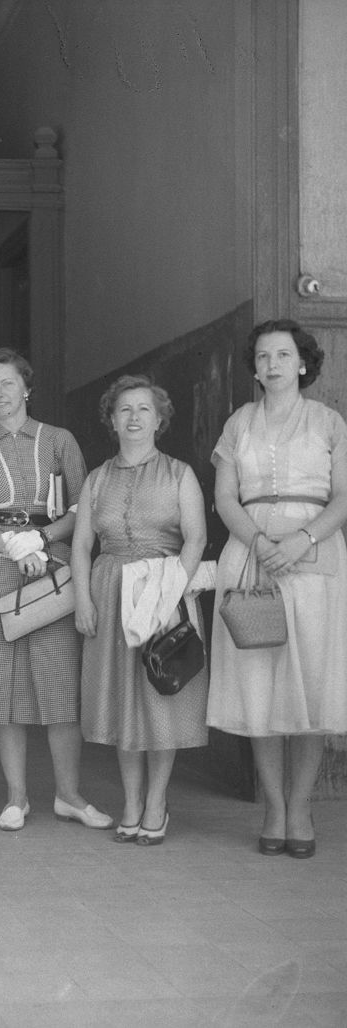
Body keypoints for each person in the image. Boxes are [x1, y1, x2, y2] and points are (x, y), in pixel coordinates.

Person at [0, 348, 111, 832]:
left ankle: (69, 796)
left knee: (59, 684)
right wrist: (14, 546)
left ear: (27, 388)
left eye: (8, 384)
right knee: (3, 687)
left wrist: (41, 539)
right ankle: (16, 797)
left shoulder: (59, 440)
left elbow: (84, 507)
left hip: (53, 570)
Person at [208, 319, 347, 859]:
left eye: (284, 355)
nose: (272, 364)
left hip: (315, 553)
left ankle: (302, 807)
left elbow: (342, 497)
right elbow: (224, 499)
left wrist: (301, 539)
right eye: (264, 356)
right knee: (259, 684)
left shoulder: (329, 422)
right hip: (251, 554)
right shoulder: (238, 423)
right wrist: (262, 542)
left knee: (311, 683)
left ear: (304, 363)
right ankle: (273, 807)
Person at [72, 375, 208, 846]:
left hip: (164, 593)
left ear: (159, 419)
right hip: (110, 592)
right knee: (121, 704)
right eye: (124, 410)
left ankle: (156, 802)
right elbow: (83, 544)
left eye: (143, 409)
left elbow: (196, 538)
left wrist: (170, 595)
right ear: (112, 420)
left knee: (159, 703)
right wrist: (84, 599)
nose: (133, 417)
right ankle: (131, 801)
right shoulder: (98, 478)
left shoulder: (179, 474)